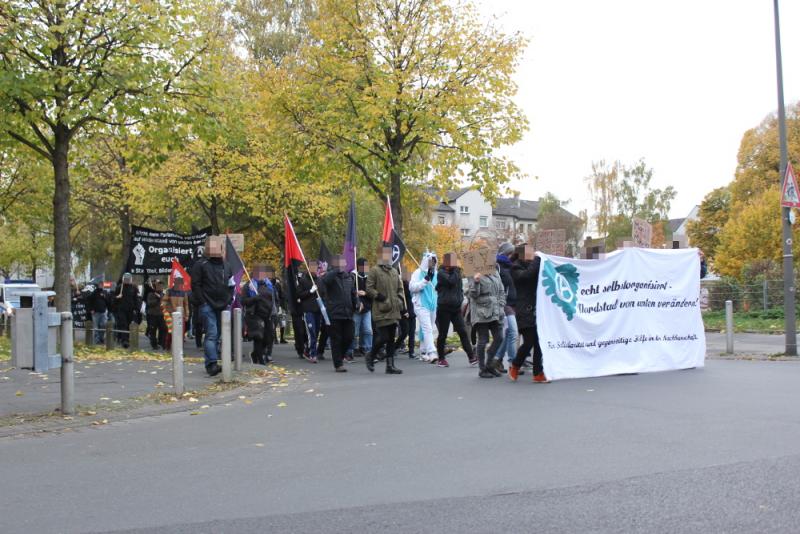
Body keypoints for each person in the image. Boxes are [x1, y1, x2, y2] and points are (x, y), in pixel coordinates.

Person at [191, 237, 233, 376]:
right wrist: (203, 302)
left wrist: (228, 300)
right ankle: (213, 363)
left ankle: (210, 363)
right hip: (207, 305)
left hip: (222, 306)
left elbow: (231, 284)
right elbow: (195, 285)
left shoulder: (226, 265)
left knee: (218, 334)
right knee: (212, 333)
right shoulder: (200, 265)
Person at [508, 244, 548, 383]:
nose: (532, 254)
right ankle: (515, 364)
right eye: (530, 252)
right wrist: (537, 260)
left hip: (538, 309)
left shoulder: (534, 265)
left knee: (539, 342)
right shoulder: (515, 268)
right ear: (521, 254)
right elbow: (527, 276)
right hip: (524, 309)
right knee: (529, 341)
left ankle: (538, 373)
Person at [365, 246, 405, 374]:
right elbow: (369, 288)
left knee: (391, 338)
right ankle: (371, 355)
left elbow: (400, 288)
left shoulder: (394, 271)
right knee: (383, 337)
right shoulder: (374, 271)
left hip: (394, 310)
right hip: (381, 309)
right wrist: (380, 297)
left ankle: (390, 365)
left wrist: (399, 299)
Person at [435, 253, 477, 368]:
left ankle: (471, 357)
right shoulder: (441, 273)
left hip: (456, 308)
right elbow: (451, 281)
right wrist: (456, 270)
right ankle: (441, 359)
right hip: (444, 308)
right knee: (443, 334)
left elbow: (458, 287)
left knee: (462, 332)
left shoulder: (456, 272)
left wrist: (460, 299)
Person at [320, 255, 359, 372]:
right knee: (336, 339)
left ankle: (339, 357)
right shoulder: (330, 276)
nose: (342, 265)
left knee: (349, 337)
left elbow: (353, 294)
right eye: (340, 263)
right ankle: (338, 364)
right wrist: (336, 270)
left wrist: (356, 302)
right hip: (334, 313)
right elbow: (324, 281)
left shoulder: (349, 278)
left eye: (343, 262)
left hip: (348, 313)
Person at [468, 265, 506, 379]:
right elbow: (473, 294)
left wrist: (501, 305)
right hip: (481, 312)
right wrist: (476, 282)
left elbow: (501, 290)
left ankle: (489, 364)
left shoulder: (494, 272)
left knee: (499, 337)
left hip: (495, 311)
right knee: (483, 340)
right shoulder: (473, 272)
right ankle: (482, 368)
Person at [493, 242, 519, 375]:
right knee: (513, 332)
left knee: (507, 334)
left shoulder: (510, 266)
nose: (511, 255)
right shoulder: (497, 266)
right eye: (510, 252)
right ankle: (512, 363)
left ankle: (496, 359)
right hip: (504, 304)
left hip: (513, 303)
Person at [409, 252, 438, 362]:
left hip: (433, 304)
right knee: (427, 328)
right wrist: (425, 280)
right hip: (421, 304)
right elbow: (412, 287)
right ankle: (432, 352)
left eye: (434, 261)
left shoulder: (436, 273)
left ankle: (423, 351)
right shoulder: (417, 273)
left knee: (427, 327)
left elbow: (437, 288)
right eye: (430, 261)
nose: (432, 263)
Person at [242, 277, 274, 365]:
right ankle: (260, 360)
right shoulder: (249, 286)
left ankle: (255, 354)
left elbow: (272, 300)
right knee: (258, 337)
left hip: (267, 315)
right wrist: (254, 298)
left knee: (268, 338)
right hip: (254, 315)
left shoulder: (268, 285)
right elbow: (243, 301)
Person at [348, 258, 373, 360]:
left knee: (368, 330)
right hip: (356, 308)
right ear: (358, 266)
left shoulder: (369, 277)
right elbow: (349, 290)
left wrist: (366, 293)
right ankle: (351, 350)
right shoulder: (352, 277)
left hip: (367, 308)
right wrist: (355, 293)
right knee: (355, 331)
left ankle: (367, 349)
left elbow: (372, 290)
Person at [297, 260, 321, 363]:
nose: (313, 269)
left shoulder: (319, 280)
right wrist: (310, 291)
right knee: (312, 333)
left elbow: (324, 294)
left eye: (315, 267)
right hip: (308, 310)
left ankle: (307, 350)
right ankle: (313, 354)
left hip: (318, 310)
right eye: (312, 267)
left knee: (316, 332)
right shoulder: (303, 280)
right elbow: (299, 295)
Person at [113, 272, 141, 349]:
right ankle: (124, 340)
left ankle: (127, 339)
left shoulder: (134, 288)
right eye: (125, 279)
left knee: (129, 325)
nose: (127, 280)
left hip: (130, 310)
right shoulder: (119, 288)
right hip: (121, 309)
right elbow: (113, 299)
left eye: (128, 279)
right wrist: (117, 297)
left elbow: (136, 299)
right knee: (123, 324)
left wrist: (136, 309)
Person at [396, 268, 416, 359]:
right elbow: (399, 299)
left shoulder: (412, 284)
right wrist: (404, 311)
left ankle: (411, 351)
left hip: (412, 311)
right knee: (404, 332)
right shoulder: (400, 285)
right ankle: (394, 348)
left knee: (412, 332)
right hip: (404, 312)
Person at [146, 279, 167, 350]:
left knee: (163, 329)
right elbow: (149, 304)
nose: (160, 287)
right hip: (152, 315)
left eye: (161, 286)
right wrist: (157, 299)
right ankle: (154, 345)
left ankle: (161, 343)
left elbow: (166, 304)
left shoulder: (163, 295)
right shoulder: (151, 294)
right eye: (159, 285)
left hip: (161, 315)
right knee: (153, 330)